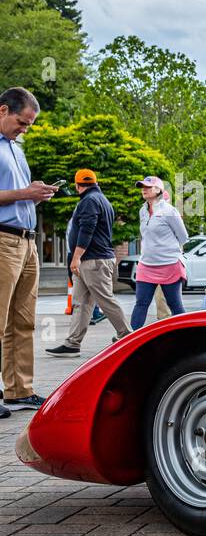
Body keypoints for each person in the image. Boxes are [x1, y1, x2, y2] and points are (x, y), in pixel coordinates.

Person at [0, 86, 56, 416]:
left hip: (27, 241)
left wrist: (36, 194)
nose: (25, 129)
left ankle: (18, 390)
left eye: (30, 125)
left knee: (23, 320)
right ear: (3, 110)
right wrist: (25, 192)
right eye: (22, 122)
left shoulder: (16, 149)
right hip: (3, 239)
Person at [45, 170, 130, 357]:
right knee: (81, 303)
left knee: (105, 299)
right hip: (92, 260)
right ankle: (72, 344)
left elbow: (87, 230)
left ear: (77, 185)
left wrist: (75, 258)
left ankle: (127, 336)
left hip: (94, 261)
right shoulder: (102, 200)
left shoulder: (89, 201)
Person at [130, 176, 187, 330]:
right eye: (142, 186)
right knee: (141, 303)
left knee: (174, 304)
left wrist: (167, 249)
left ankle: (188, 336)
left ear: (158, 190)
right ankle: (129, 339)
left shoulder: (169, 211)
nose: (144, 189)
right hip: (146, 265)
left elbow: (183, 236)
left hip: (169, 264)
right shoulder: (142, 210)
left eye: (148, 186)